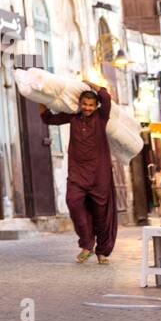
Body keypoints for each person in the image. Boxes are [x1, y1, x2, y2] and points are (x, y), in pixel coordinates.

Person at [40, 82, 117, 264]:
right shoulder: (73, 117)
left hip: (99, 173)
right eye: (84, 104)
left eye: (91, 105)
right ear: (80, 104)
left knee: (101, 214)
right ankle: (87, 244)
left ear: (95, 106)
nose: (87, 108)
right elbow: (50, 119)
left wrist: (91, 83)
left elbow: (105, 97)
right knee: (73, 202)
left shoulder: (101, 117)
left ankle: (102, 251)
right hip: (77, 172)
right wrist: (41, 101)